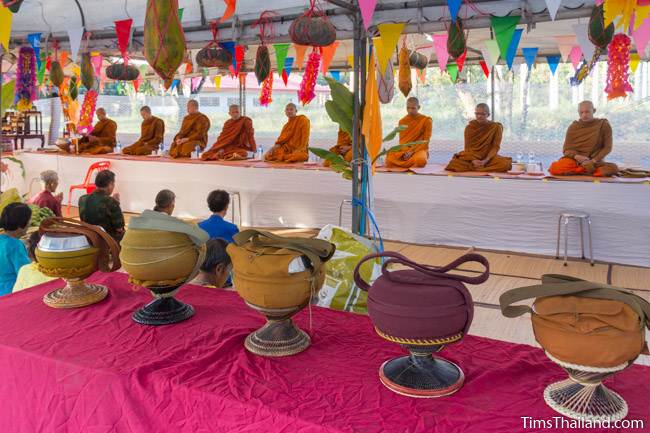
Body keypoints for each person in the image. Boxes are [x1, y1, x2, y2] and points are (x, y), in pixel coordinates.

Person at [548, 100, 618, 177]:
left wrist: (593, 161)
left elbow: (607, 147)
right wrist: (577, 157)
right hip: (575, 161)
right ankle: (585, 170)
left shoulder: (603, 124)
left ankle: (581, 170)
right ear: (578, 113)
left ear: (594, 111)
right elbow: (566, 150)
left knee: (613, 168)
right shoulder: (573, 127)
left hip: (594, 161)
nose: (584, 115)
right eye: (581, 112)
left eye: (587, 112)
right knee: (555, 168)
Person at [445, 103, 512, 172]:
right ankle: (480, 167)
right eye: (477, 114)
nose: (479, 116)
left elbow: (495, 147)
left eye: (483, 114)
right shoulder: (470, 127)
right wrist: (473, 160)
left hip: (488, 157)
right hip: (473, 156)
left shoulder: (496, 127)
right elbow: (467, 148)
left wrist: (485, 160)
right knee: (453, 164)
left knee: (505, 164)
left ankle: (477, 168)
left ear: (488, 115)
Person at [78, 169, 125, 241]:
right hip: (107, 241)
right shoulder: (111, 202)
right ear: (110, 184)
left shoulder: (82, 199)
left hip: (87, 237)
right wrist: (116, 203)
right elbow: (119, 228)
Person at [386, 97, 432, 169]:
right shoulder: (402, 121)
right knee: (388, 159)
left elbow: (426, 142)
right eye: (408, 108)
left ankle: (402, 164)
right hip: (404, 150)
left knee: (421, 160)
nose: (410, 110)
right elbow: (402, 142)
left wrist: (412, 151)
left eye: (413, 108)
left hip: (418, 150)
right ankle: (409, 163)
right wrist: (404, 153)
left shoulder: (426, 121)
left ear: (418, 107)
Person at [0, 203, 32, 296]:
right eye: (29, 219)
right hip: (11, 293)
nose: (30, 222)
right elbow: (25, 272)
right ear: (20, 225)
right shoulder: (16, 245)